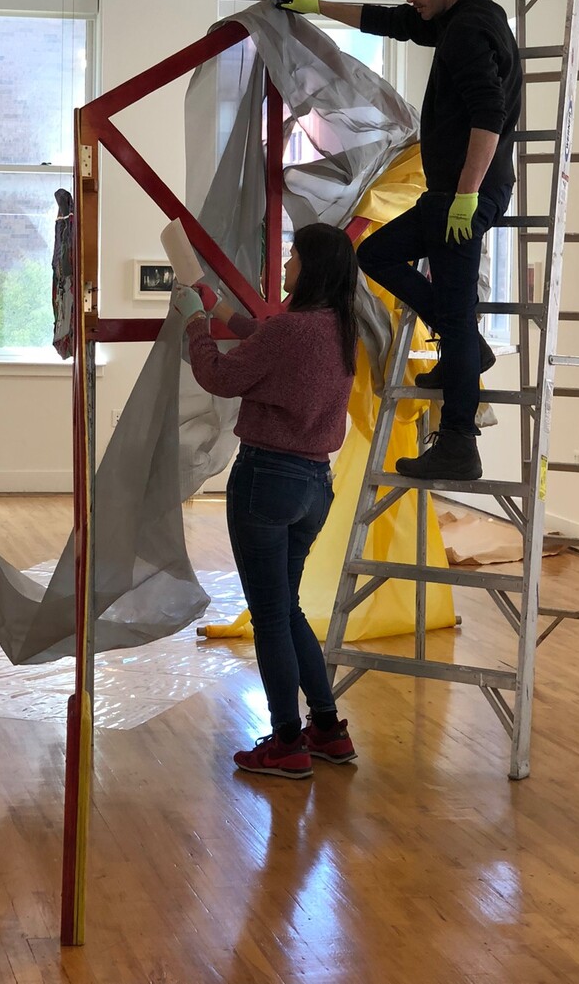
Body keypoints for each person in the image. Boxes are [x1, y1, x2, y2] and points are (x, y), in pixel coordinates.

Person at [273, 0, 522, 481]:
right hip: (449, 193)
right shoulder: (460, 18)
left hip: (463, 194)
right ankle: (470, 351)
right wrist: (318, 6)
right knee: (377, 254)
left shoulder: (469, 32)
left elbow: (489, 115)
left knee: (455, 317)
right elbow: (392, 22)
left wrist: (466, 196)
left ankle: (459, 441)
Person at [173, 222, 358, 780]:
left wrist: (194, 326)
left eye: (293, 256)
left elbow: (220, 376)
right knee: (288, 606)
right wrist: (216, 306)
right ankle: (326, 728)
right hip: (313, 486)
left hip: (266, 481)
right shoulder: (335, 329)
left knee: (271, 615)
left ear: (313, 267)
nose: (285, 266)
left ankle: (286, 742)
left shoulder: (293, 333)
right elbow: (265, 338)